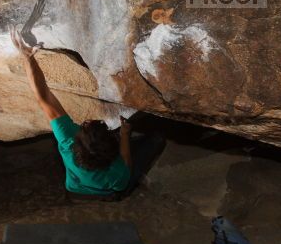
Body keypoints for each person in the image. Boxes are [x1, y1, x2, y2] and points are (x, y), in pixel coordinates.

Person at [10, 25, 165, 199]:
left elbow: (43, 97)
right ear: (113, 154)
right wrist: (124, 136)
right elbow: (126, 160)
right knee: (155, 141)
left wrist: (28, 59)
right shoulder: (117, 172)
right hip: (110, 189)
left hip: (77, 189)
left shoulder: (68, 143)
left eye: (86, 127)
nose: (86, 121)